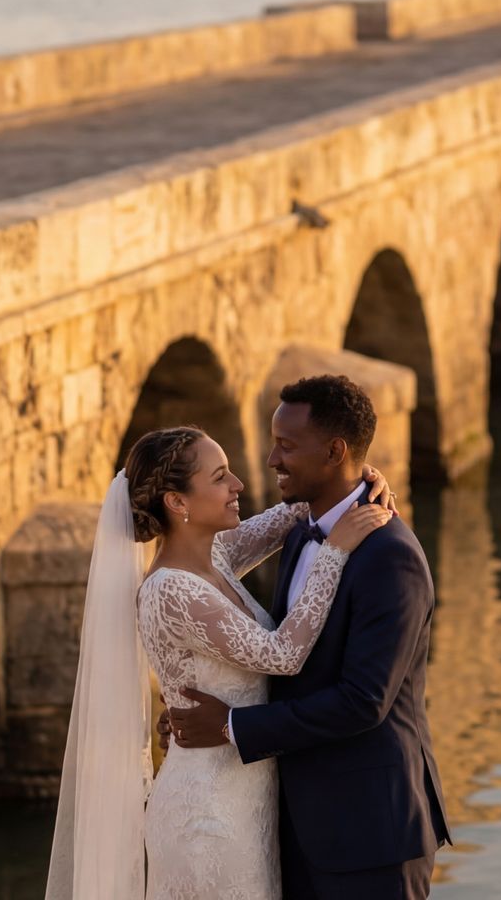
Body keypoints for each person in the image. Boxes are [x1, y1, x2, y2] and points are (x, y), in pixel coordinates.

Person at [44, 421, 393, 900]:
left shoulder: (217, 554)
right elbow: (283, 654)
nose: (239, 485)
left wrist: (360, 477)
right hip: (206, 818)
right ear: (177, 502)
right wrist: (335, 553)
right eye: (220, 477)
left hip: (245, 803)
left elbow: (292, 515)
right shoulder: (171, 589)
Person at [168, 374, 452, 900]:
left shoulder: (390, 557)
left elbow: (363, 701)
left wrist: (231, 724)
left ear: (334, 451)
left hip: (370, 830)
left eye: (287, 445)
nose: (272, 459)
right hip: (293, 821)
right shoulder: (300, 529)